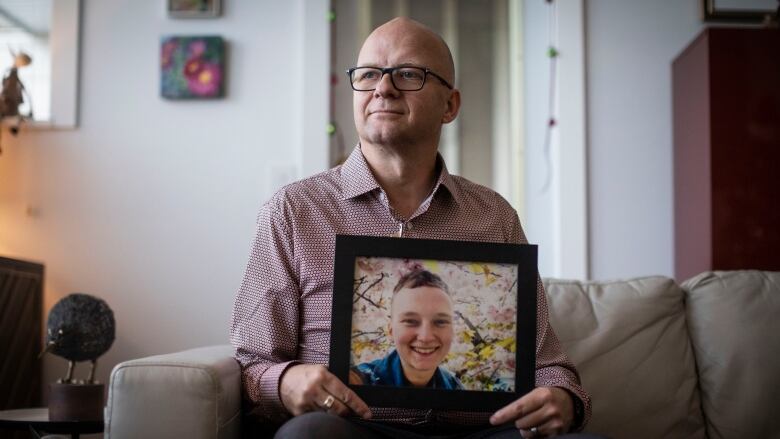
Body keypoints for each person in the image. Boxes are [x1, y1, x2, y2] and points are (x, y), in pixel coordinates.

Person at [231, 17, 603, 439]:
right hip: (351, 431)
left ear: (450, 106)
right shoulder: (293, 211)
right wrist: (285, 383)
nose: (382, 88)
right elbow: (251, 365)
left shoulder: (495, 216)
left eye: (408, 74)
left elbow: (546, 362)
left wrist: (564, 400)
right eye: (369, 74)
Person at [351, 269, 464, 390]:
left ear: (452, 331)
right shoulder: (359, 382)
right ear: (391, 330)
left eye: (440, 322)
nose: (425, 337)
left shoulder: (455, 387)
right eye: (410, 321)